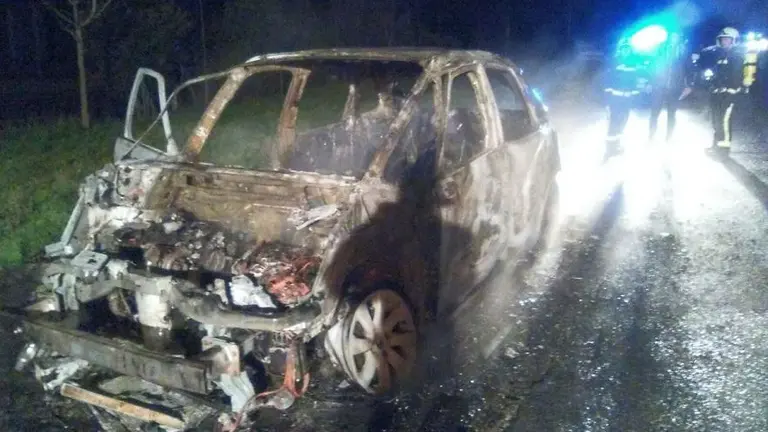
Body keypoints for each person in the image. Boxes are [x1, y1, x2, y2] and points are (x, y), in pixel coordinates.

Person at [693, 27, 753, 156]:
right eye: (723, 39)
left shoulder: (738, 55)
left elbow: (736, 75)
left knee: (724, 121)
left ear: (734, 41)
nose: (724, 42)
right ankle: (716, 145)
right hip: (717, 92)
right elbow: (716, 72)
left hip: (730, 93)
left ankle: (724, 150)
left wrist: (733, 87)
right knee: (716, 120)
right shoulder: (720, 54)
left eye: (727, 39)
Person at [603, 39, 649, 159]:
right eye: (623, 49)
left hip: (627, 99)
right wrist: (607, 99)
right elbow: (608, 79)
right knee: (614, 123)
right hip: (615, 98)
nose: (625, 51)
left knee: (623, 122)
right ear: (620, 50)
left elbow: (635, 81)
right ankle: (609, 149)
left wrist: (635, 96)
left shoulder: (633, 64)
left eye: (627, 49)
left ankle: (616, 145)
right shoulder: (614, 62)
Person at [647, 32, 694, 141]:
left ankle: (669, 138)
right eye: (672, 36)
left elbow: (689, 69)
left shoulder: (683, 52)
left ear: (679, 38)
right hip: (659, 87)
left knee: (672, 114)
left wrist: (689, 85)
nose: (674, 39)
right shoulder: (660, 50)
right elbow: (652, 67)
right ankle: (651, 135)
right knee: (654, 112)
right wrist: (649, 82)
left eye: (676, 36)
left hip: (675, 88)